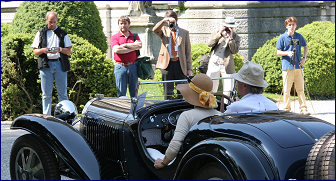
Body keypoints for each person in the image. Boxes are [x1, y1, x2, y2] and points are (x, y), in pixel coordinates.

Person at [154, 73, 221, 168]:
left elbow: (175, 145)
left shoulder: (187, 116)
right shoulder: (220, 115)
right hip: (213, 165)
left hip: (190, 165)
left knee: (151, 151)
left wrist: (163, 163)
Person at [32, 11, 72, 115]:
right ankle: (46, 117)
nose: (52, 24)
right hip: (46, 65)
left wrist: (59, 49)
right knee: (46, 94)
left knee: (62, 94)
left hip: (60, 64)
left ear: (57, 21)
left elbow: (68, 51)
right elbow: (35, 51)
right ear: (46, 20)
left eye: (54, 22)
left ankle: (64, 116)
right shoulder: (40, 33)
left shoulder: (63, 33)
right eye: (50, 22)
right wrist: (43, 50)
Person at [153, 10, 193, 100]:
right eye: (168, 21)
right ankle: (167, 109)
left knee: (182, 91)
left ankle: (181, 109)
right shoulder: (163, 31)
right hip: (167, 65)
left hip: (180, 64)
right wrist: (164, 21)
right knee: (168, 91)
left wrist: (189, 68)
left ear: (176, 20)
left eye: (172, 20)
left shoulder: (184, 33)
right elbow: (154, 30)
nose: (170, 23)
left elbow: (188, 51)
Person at [276, 16, 309, 115]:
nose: (291, 26)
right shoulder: (282, 37)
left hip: (298, 67)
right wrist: (287, 53)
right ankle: (286, 109)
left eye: (293, 25)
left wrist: (304, 58)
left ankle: (303, 109)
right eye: (289, 25)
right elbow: (278, 52)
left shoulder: (299, 36)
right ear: (286, 26)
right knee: (286, 90)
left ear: (296, 26)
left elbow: (306, 47)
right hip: (287, 67)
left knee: (300, 89)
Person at [206, 17, 241, 103]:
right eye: (226, 26)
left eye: (230, 27)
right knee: (211, 85)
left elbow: (234, 51)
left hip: (227, 64)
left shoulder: (236, 37)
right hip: (214, 62)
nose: (228, 29)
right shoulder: (217, 33)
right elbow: (209, 44)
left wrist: (231, 38)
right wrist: (220, 34)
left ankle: (226, 106)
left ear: (234, 28)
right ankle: (209, 104)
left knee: (228, 89)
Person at [111, 15, 142, 97]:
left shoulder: (134, 36)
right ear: (118, 25)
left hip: (133, 66)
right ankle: (122, 109)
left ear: (129, 24)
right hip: (120, 67)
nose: (123, 26)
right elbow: (117, 50)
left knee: (134, 93)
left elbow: (139, 45)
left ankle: (134, 109)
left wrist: (124, 46)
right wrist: (132, 47)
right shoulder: (115, 37)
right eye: (121, 23)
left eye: (125, 23)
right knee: (121, 93)